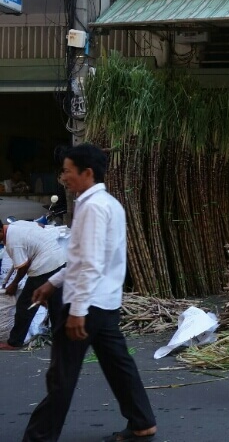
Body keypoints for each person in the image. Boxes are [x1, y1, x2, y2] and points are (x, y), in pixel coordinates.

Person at [22, 143, 158, 442]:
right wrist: (53, 283)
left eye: (67, 171)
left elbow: (91, 263)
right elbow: (84, 257)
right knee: (117, 364)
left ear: (87, 173)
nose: (63, 177)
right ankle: (142, 421)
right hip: (104, 301)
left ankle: (39, 436)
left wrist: (77, 310)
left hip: (88, 302)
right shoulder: (106, 203)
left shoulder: (94, 207)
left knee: (62, 374)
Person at [0, 220, 66, 350]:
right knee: (55, 304)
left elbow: (23, 268)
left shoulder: (13, 243)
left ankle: (15, 342)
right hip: (58, 259)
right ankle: (62, 339)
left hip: (45, 265)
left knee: (26, 304)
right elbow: (40, 225)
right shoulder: (18, 224)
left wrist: (14, 284)